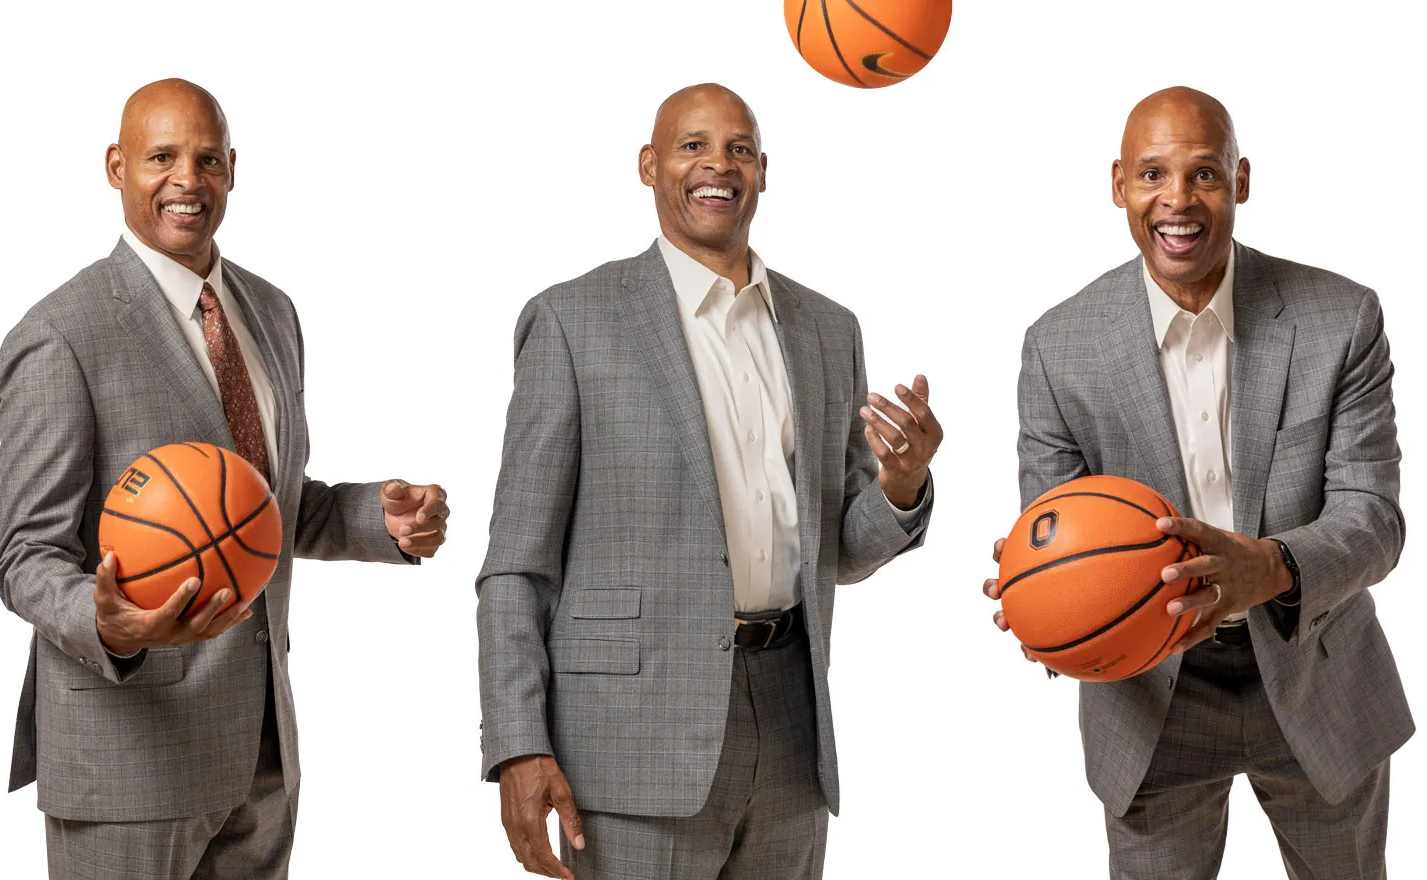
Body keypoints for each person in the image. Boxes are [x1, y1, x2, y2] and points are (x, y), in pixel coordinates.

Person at [477, 82, 939, 880]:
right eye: (693, 145)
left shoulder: (828, 328)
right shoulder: (573, 320)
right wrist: (519, 744)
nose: (717, 164)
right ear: (650, 166)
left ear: (764, 171)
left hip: (791, 727)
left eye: (739, 148)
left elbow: (840, 548)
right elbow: (516, 564)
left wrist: (901, 485)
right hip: (629, 749)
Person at [0, 78, 448, 879]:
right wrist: (112, 624)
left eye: (207, 159)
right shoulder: (60, 335)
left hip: (261, 751)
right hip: (129, 757)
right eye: (161, 157)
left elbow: (257, 507)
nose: (187, 180)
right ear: (115, 167)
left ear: (233, 169)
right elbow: (26, 557)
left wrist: (381, 519)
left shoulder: (269, 311)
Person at [984, 86, 1411, 878]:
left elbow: (1374, 518)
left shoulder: (1340, 318)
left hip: (1315, 666)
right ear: (1119, 185)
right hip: (1150, 695)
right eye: (1152, 174)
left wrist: (1271, 567)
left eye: (1204, 174)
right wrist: (1039, 600)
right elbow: (1049, 525)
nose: (1176, 200)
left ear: (1241, 181)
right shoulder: (1057, 348)